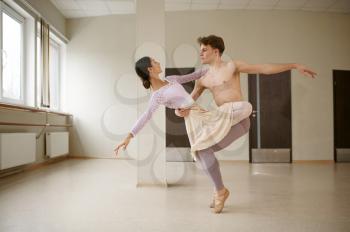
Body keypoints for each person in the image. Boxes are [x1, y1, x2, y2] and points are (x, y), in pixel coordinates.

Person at [175, 35, 317, 213]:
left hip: (239, 121)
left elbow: (264, 68)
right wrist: (182, 108)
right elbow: (192, 98)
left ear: (216, 51)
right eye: (200, 49)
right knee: (202, 150)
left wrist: (294, 65)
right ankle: (220, 190)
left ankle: (219, 191)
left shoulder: (232, 66)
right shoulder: (203, 78)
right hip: (223, 121)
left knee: (244, 108)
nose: (201, 53)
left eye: (205, 49)